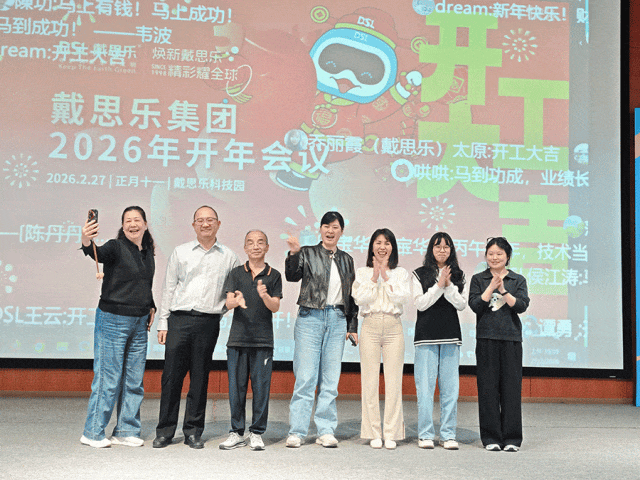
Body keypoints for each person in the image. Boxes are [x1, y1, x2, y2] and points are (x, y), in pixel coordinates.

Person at [153, 206, 239, 449]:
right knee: (171, 377)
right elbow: (169, 288)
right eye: (200, 220)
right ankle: (165, 431)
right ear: (193, 225)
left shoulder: (229, 257)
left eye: (210, 220)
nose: (205, 224)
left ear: (218, 224)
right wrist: (163, 322)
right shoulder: (180, 252)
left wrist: (219, 310)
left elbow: (234, 292)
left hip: (207, 322)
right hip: (178, 320)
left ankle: (193, 431)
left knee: (200, 378)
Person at [79, 206, 156, 448]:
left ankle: (126, 430)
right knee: (108, 378)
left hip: (139, 322)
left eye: (137, 220)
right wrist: (86, 239)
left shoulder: (147, 251)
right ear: (123, 226)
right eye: (128, 220)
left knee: (134, 380)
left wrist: (151, 305)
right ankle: (92, 432)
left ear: (145, 224)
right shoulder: (115, 246)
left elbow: (144, 283)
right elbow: (96, 253)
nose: (133, 224)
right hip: (113, 319)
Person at [284, 211, 358, 448]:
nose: (330, 231)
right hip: (310, 317)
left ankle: (325, 430)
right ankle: (297, 431)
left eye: (335, 227)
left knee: (330, 378)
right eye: (326, 226)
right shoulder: (307, 252)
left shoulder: (347, 259)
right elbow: (292, 276)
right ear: (320, 229)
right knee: (306, 377)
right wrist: (294, 253)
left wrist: (352, 325)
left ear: (341, 231)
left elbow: (352, 295)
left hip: (337, 319)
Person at [218, 230, 283, 451]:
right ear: (245, 248)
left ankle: (256, 432)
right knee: (236, 389)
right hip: (237, 340)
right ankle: (236, 432)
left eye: (260, 242)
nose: (256, 246)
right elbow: (227, 303)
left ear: (267, 247)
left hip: (263, 341)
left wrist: (265, 296)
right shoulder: (236, 273)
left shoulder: (274, 275)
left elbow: (275, 306)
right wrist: (236, 301)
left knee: (261, 388)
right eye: (251, 243)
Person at [352, 228, 412, 450]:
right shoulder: (362, 272)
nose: (382, 247)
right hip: (370, 325)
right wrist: (374, 278)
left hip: (393, 327)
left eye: (387, 243)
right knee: (369, 381)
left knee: (394, 382)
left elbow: (402, 298)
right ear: (372, 247)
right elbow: (360, 299)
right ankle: (373, 432)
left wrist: (385, 277)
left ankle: (391, 432)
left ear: (392, 248)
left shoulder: (401, 273)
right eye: (378, 242)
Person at [468, 237, 529, 452]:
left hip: (511, 339)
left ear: (508, 256)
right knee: (488, 389)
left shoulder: (517, 279)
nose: (494, 257)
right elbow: (476, 305)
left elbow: (521, 306)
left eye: (499, 254)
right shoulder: (478, 279)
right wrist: (491, 287)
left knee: (511, 390)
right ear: (486, 256)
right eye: (491, 254)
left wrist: (503, 290)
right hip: (486, 339)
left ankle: (512, 439)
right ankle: (491, 437)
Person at [412, 232, 466, 450]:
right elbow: (421, 304)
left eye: (446, 247)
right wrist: (438, 285)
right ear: (431, 249)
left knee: (450, 389)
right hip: (425, 337)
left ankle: (448, 434)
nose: (442, 250)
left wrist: (448, 285)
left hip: (451, 336)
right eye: (438, 246)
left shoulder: (458, 274)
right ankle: (425, 434)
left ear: (451, 250)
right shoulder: (419, 274)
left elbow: (461, 304)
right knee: (425, 389)